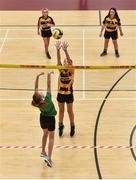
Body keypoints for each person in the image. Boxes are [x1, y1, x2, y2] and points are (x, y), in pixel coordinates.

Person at [31, 71, 57, 167]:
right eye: (41, 93)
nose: (41, 92)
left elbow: (36, 89)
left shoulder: (36, 103)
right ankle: (49, 158)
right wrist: (49, 75)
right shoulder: (48, 100)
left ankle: (43, 151)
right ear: (42, 98)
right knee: (51, 137)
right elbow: (49, 86)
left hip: (42, 119)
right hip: (50, 119)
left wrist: (38, 76)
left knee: (45, 134)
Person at [55, 41, 75, 137]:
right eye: (64, 61)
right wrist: (58, 50)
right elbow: (58, 61)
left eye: (67, 61)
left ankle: (72, 126)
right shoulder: (61, 70)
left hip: (69, 94)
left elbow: (70, 61)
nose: (65, 62)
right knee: (61, 110)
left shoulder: (71, 70)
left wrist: (66, 51)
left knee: (69, 111)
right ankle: (60, 125)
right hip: (60, 93)